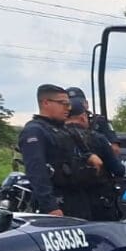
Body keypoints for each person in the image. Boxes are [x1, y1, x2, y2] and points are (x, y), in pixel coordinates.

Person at [17, 84, 84, 215]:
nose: (68, 109)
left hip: (75, 197)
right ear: (46, 103)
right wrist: (50, 206)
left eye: (68, 104)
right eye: (63, 104)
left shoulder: (62, 129)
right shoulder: (35, 131)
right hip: (56, 201)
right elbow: (36, 171)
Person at [65, 93, 126, 221]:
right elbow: (118, 170)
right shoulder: (97, 138)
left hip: (67, 203)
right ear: (83, 117)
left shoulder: (55, 137)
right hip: (98, 201)